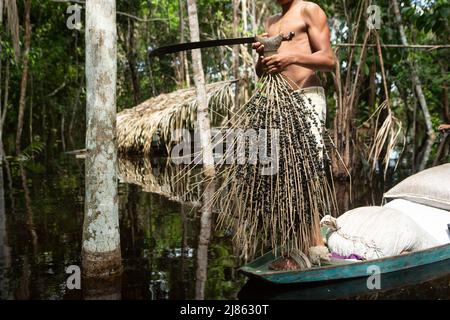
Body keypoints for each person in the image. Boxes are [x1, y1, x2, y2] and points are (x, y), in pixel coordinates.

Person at [252, 0, 335, 268]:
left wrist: (291, 57)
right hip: (279, 101)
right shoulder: (271, 22)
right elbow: (260, 71)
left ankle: (315, 248)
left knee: (306, 171)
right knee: (284, 175)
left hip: (307, 97)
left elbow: (329, 60)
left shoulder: (308, 9)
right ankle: (298, 248)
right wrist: (264, 59)